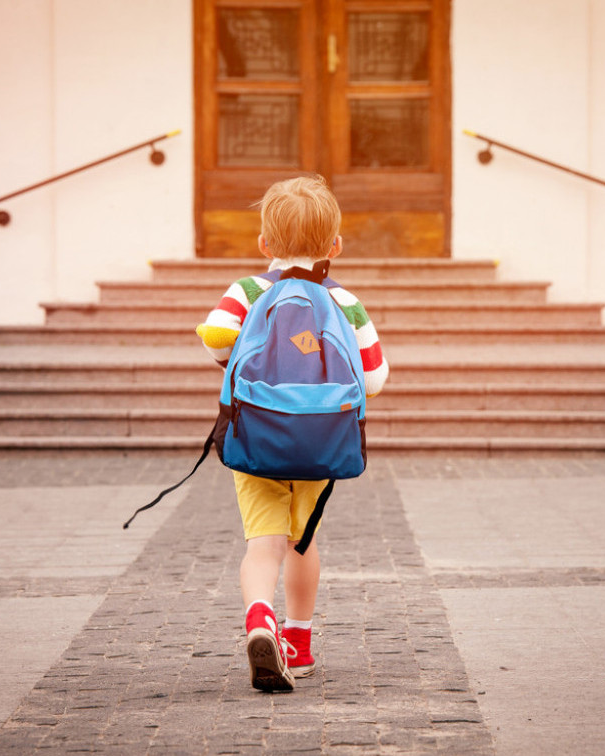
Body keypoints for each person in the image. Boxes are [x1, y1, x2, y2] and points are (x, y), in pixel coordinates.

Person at [196, 175, 389, 692]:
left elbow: (216, 337)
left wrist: (241, 361)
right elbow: (373, 378)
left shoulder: (248, 290)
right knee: (302, 542)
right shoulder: (344, 300)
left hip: (256, 437)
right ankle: (298, 645)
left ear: (264, 244)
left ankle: (260, 618)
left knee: (262, 544)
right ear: (335, 246)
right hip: (320, 441)